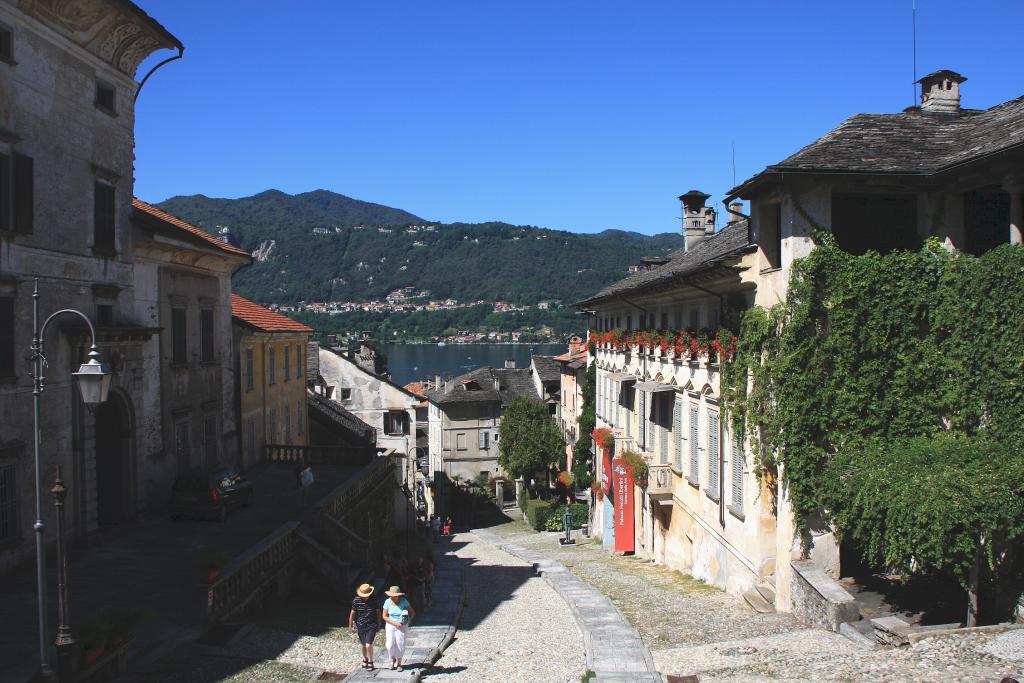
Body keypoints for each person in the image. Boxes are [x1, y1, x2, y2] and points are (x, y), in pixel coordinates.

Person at [382, 586, 415, 671]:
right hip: (390, 624)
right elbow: (384, 616)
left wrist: (407, 621)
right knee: (390, 643)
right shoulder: (387, 602)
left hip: (401, 625)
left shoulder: (404, 601)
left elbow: (412, 612)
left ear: (398, 596)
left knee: (400, 643)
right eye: (391, 596)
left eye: (394, 596)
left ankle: (399, 662)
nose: (392, 598)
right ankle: (391, 658)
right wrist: (394, 623)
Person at [349, 583, 380, 670]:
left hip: (372, 624)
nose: (364, 597)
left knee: (368, 644)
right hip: (361, 625)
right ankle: (365, 659)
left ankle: (371, 661)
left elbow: (378, 612)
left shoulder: (374, 600)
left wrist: (379, 624)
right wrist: (350, 625)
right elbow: (352, 613)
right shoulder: (356, 600)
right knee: (363, 645)